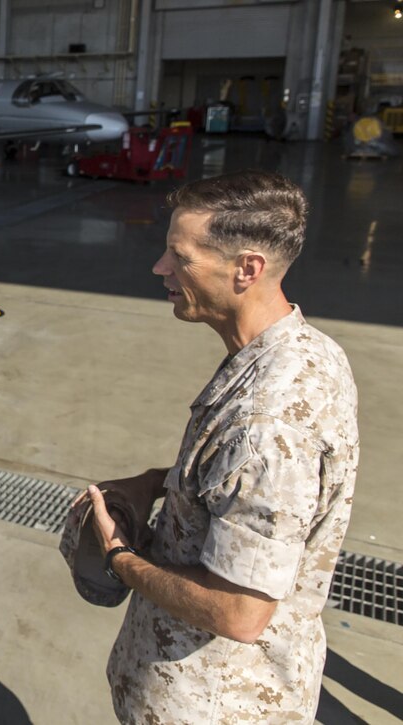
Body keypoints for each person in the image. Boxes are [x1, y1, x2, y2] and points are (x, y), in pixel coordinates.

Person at [83, 169, 359, 723]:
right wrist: (162, 480)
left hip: (213, 703)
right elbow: (252, 490)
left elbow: (240, 613)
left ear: (246, 269)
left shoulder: (266, 424)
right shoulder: (308, 349)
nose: (161, 268)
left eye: (178, 256)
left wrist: (120, 555)